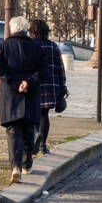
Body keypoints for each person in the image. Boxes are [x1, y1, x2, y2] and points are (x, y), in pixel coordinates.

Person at [0, 16, 42, 183]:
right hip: (31, 95)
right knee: (29, 131)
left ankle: (15, 167)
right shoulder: (36, 47)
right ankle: (27, 164)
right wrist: (28, 82)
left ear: (12, 30)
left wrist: (15, 84)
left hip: (11, 97)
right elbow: (42, 71)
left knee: (13, 132)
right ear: (26, 29)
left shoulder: (4, 46)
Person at [30, 18, 67, 156]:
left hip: (34, 84)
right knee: (44, 114)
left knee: (33, 113)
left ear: (33, 32)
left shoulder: (30, 45)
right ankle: (43, 144)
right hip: (51, 85)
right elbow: (60, 68)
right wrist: (62, 87)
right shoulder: (53, 46)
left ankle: (35, 136)